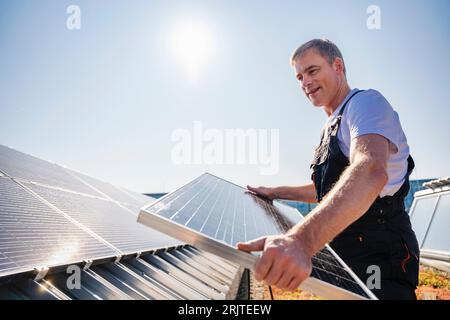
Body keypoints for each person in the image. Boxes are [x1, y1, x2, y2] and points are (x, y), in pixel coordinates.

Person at [237, 39, 419, 300]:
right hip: (348, 256)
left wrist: (301, 241)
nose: (305, 83)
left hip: (381, 259)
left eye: (312, 71)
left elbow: (369, 171)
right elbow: (327, 190)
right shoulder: (330, 125)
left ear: (337, 66)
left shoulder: (366, 104)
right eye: (299, 77)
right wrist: (275, 192)